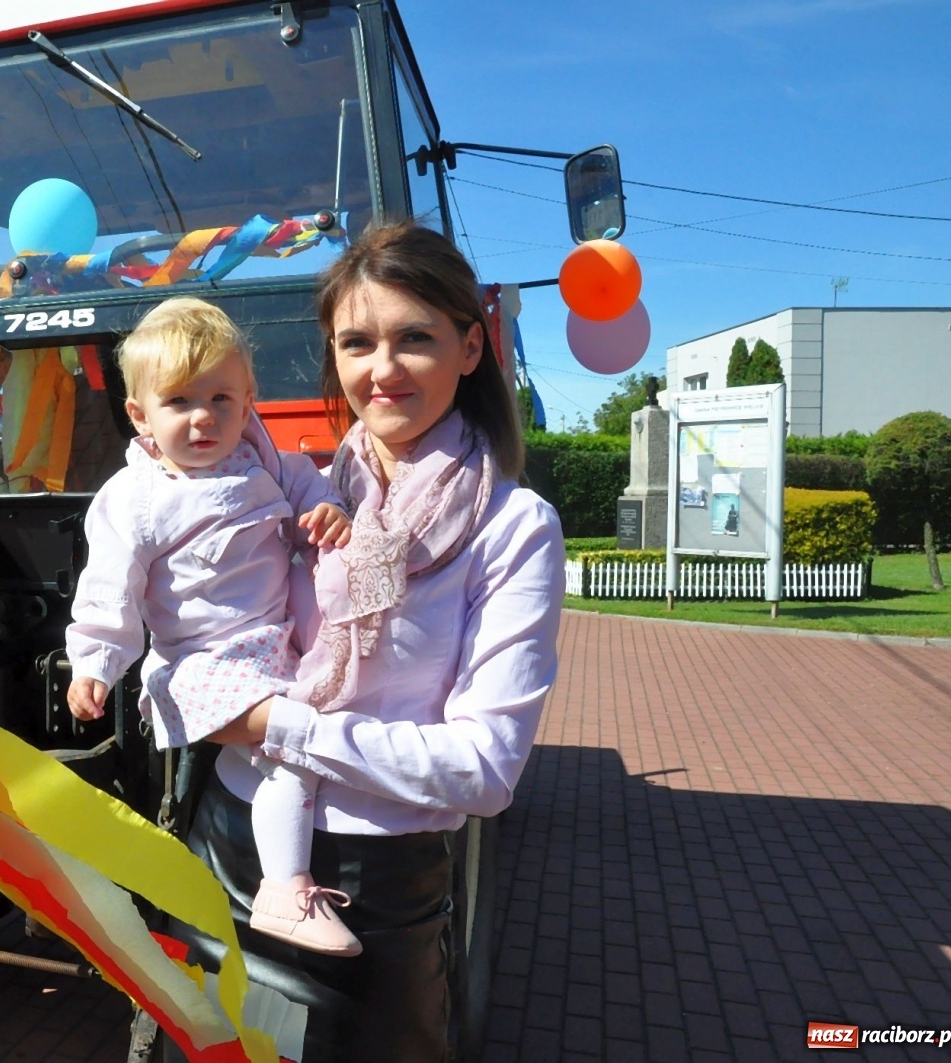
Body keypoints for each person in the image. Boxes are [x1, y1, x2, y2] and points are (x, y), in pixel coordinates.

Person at [173, 221, 565, 1061]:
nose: (381, 370)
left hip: (370, 889)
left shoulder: (513, 526)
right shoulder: (292, 493)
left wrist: (277, 727)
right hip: (231, 841)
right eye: (357, 342)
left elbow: (486, 768)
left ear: (470, 347)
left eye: (414, 339)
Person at [63, 297, 364, 956]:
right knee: (293, 756)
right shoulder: (137, 498)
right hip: (203, 665)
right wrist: (94, 664)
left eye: (222, 399)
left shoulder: (261, 458)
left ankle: (250, 866)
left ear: (249, 398)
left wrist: (331, 511)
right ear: (139, 413)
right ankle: (286, 890)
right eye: (179, 402)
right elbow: (110, 589)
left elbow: (310, 489)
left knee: (276, 763)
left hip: (271, 645)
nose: (205, 417)